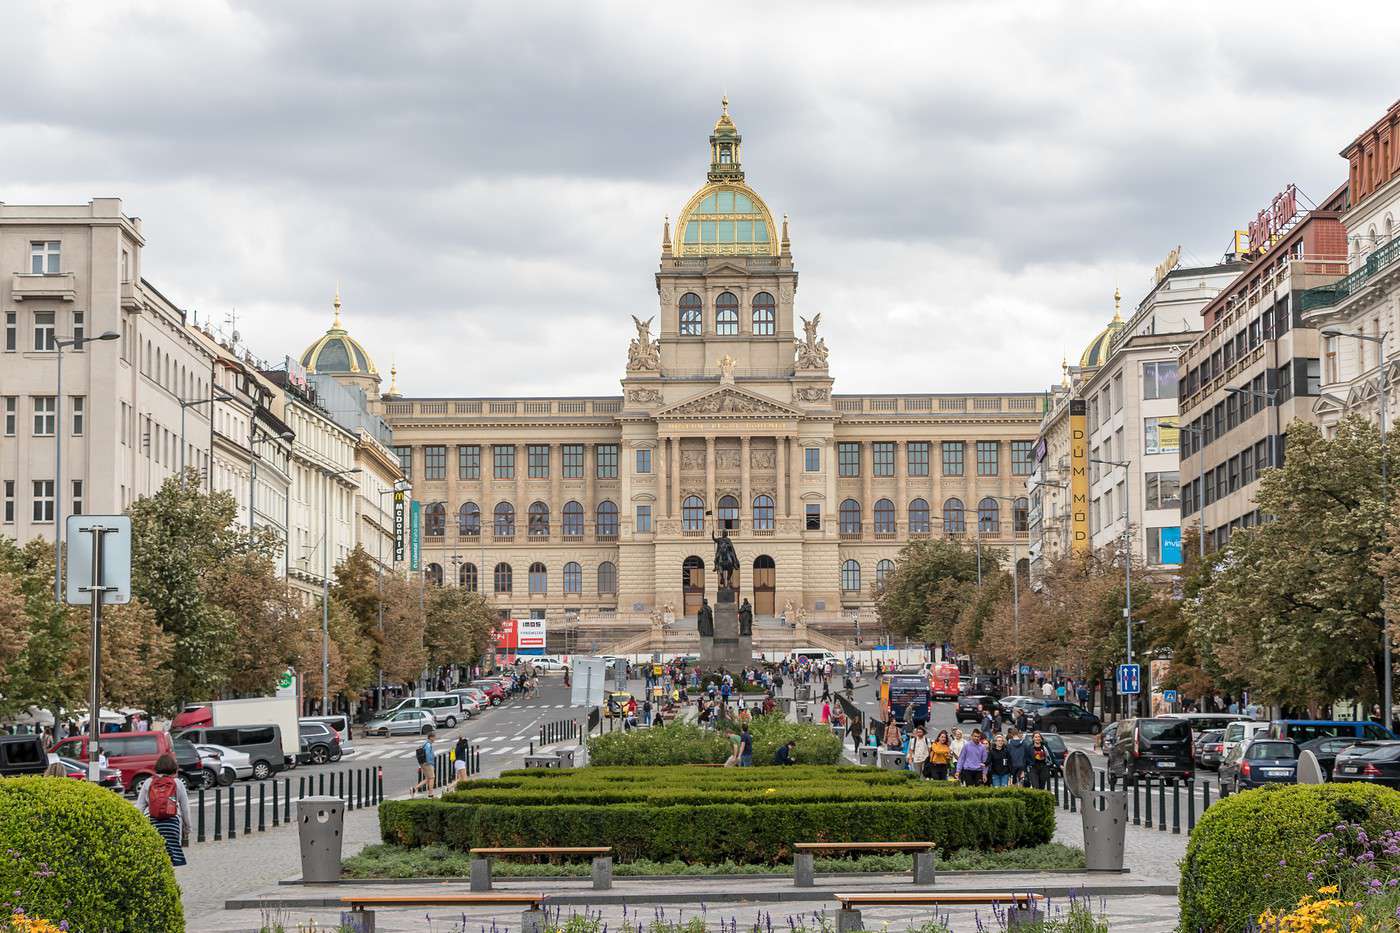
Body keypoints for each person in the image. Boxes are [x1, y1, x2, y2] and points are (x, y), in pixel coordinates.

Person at [137, 753, 190, 866]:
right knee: (171, 859)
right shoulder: (177, 783)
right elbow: (185, 809)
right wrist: (187, 829)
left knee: (154, 858)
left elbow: (139, 807)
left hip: (152, 823)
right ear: (174, 768)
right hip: (172, 824)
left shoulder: (148, 782)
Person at [412, 730, 437, 797]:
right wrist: (429, 762)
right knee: (432, 777)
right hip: (427, 763)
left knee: (428, 778)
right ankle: (430, 793)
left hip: (423, 763)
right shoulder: (428, 744)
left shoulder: (425, 743)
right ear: (431, 737)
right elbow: (427, 754)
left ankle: (414, 789)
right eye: (434, 737)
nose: (435, 739)